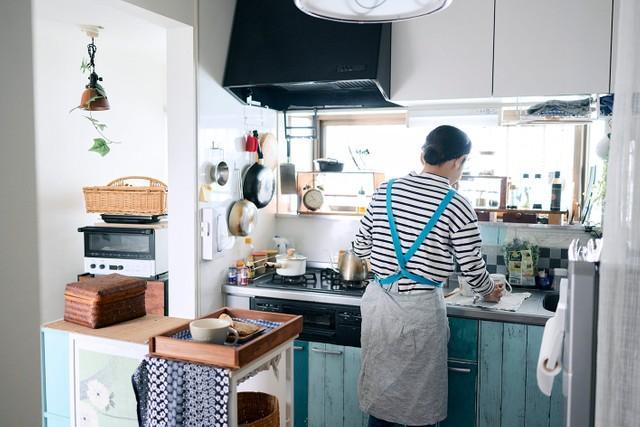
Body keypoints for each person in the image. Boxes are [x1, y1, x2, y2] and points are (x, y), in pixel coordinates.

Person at [353, 125, 505, 427]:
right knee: (418, 407)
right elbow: (472, 268)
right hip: (420, 314)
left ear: (424, 154)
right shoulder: (457, 204)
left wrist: (389, 264)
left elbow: (359, 247)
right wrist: (490, 291)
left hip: (379, 309)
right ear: (457, 161)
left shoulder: (385, 190)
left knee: (382, 401)